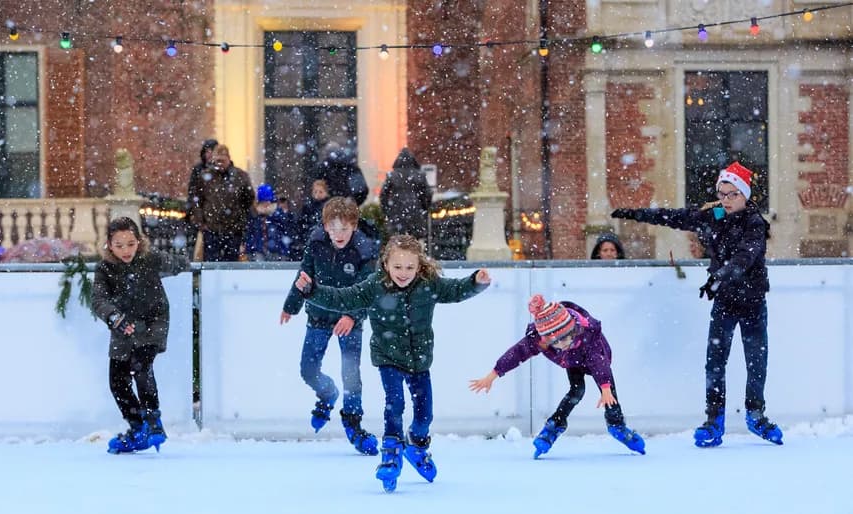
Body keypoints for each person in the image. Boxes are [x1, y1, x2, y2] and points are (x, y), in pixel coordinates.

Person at [294, 234, 491, 492]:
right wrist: (312, 291)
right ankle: (391, 451)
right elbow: (343, 298)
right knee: (395, 403)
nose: (403, 273)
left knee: (425, 414)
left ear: (419, 266)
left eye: (410, 267)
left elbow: (455, 290)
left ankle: (416, 446)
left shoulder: (428, 284)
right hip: (388, 357)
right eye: (397, 266)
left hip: (419, 359)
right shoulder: (374, 286)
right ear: (386, 264)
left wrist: (475, 282)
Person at [611, 161, 783, 447]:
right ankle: (714, 421)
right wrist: (636, 214)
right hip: (725, 302)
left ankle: (756, 416)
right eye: (722, 194)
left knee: (756, 361)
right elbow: (676, 217)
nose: (726, 200)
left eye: (733, 194)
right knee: (715, 362)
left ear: (745, 195)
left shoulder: (754, 223)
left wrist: (719, 276)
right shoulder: (714, 215)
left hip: (752, 302)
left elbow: (745, 257)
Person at [469, 294, 646, 458]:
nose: (563, 345)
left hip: (596, 358)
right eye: (557, 342)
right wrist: (493, 374)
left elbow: (598, 362)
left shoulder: (588, 336)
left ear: (574, 330)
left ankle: (616, 425)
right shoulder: (540, 340)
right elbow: (517, 353)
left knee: (609, 394)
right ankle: (554, 426)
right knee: (577, 391)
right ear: (547, 339)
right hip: (573, 362)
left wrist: (605, 387)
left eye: (566, 338)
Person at [281, 197, 380, 455]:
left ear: (354, 226)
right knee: (308, 370)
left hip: (349, 321)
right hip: (319, 317)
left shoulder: (364, 250)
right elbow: (304, 276)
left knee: (351, 374)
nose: (339, 234)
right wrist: (291, 305)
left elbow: (369, 289)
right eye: (333, 228)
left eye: (344, 228)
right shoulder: (316, 244)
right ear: (325, 226)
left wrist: (352, 316)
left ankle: (353, 423)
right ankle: (327, 394)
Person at [90, 216, 190, 454]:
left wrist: (182, 262)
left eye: (131, 244)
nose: (126, 250)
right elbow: (98, 300)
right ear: (109, 245)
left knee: (141, 366)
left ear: (139, 242)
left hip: (153, 323)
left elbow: (177, 263)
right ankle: (138, 428)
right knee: (117, 381)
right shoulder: (104, 269)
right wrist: (115, 318)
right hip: (123, 327)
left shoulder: (150, 258)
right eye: (119, 245)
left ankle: (153, 422)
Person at [189, 144, 254, 262]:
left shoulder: (240, 176)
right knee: (211, 263)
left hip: (233, 229)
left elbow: (249, 199)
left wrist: (240, 218)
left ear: (228, 159)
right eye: (217, 160)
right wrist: (201, 222)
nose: (220, 164)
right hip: (212, 229)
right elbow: (196, 200)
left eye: (222, 161)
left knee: (231, 264)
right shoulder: (205, 176)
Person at [379, 148, 432, 241]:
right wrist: (424, 207)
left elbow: (383, 195)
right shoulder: (419, 175)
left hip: (396, 212)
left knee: (398, 241)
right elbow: (427, 194)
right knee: (415, 241)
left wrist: (387, 210)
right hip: (415, 212)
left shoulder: (392, 175)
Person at [244, 183, 299, 261]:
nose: (266, 204)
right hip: (259, 250)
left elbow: (285, 229)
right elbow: (250, 233)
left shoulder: (278, 213)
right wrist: (248, 249)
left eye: (268, 201)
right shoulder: (254, 215)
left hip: (276, 250)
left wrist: (285, 250)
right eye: (263, 202)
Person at [312, 142, 369, 207]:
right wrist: (351, 203)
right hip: (346, 208)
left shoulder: (323, 168)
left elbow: (316, 192)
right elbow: (361, 191)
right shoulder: (351, 167)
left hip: (329, 208)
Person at [186, 138, 218, 224]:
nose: (210, 155)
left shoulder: (221, 169)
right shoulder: (198, 169)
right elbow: (192, 191)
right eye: (207, 152)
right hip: (201, 211)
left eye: (212, 151)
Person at [297, 179, 330, 244]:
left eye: (321, 192)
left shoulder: (329, 205)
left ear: (326, 193)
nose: (318, 194)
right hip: (309, 239)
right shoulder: (307, 206)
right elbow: (301, 223)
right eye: (315, 192)